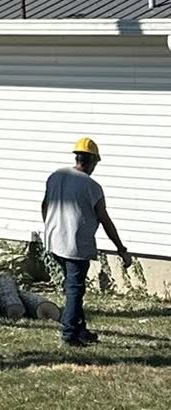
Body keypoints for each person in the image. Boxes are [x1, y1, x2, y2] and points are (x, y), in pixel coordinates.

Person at [41, 137, 129, 349]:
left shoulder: (55, 176)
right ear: (92, 161)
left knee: (72, 287)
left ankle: (80, 329)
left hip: (53, 242)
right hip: (75, 246)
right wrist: (121, 249)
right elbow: (104, 220)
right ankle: (69, 335)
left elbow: (44, 206)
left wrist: (51, 228)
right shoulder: (92, 187)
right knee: (74, 290)